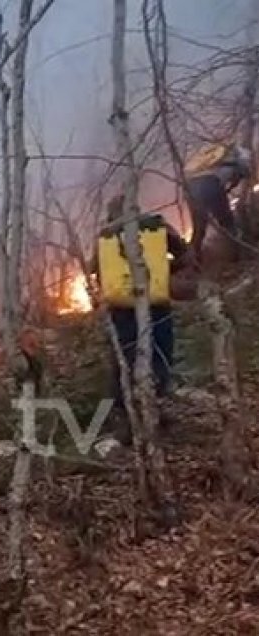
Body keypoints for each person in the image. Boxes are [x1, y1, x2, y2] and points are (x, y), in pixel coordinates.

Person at [92, 195, 196, 440]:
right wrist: (162, 271)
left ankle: (128, 421)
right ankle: (155, 411)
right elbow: (185, 256)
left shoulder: (105, 237)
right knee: (159, 356)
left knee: (124, 362)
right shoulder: (156, 227)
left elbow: (95, 272)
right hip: (155, 304)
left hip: (121, 310)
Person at [184, 143, 251, 261]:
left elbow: (225, 186)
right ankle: (239, 256)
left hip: (191, 186)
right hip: (210, 183)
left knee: (199, 227)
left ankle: (194, 262)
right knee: (228, 224)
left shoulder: (215, 156)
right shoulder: (238, 162)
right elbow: (239, 175)